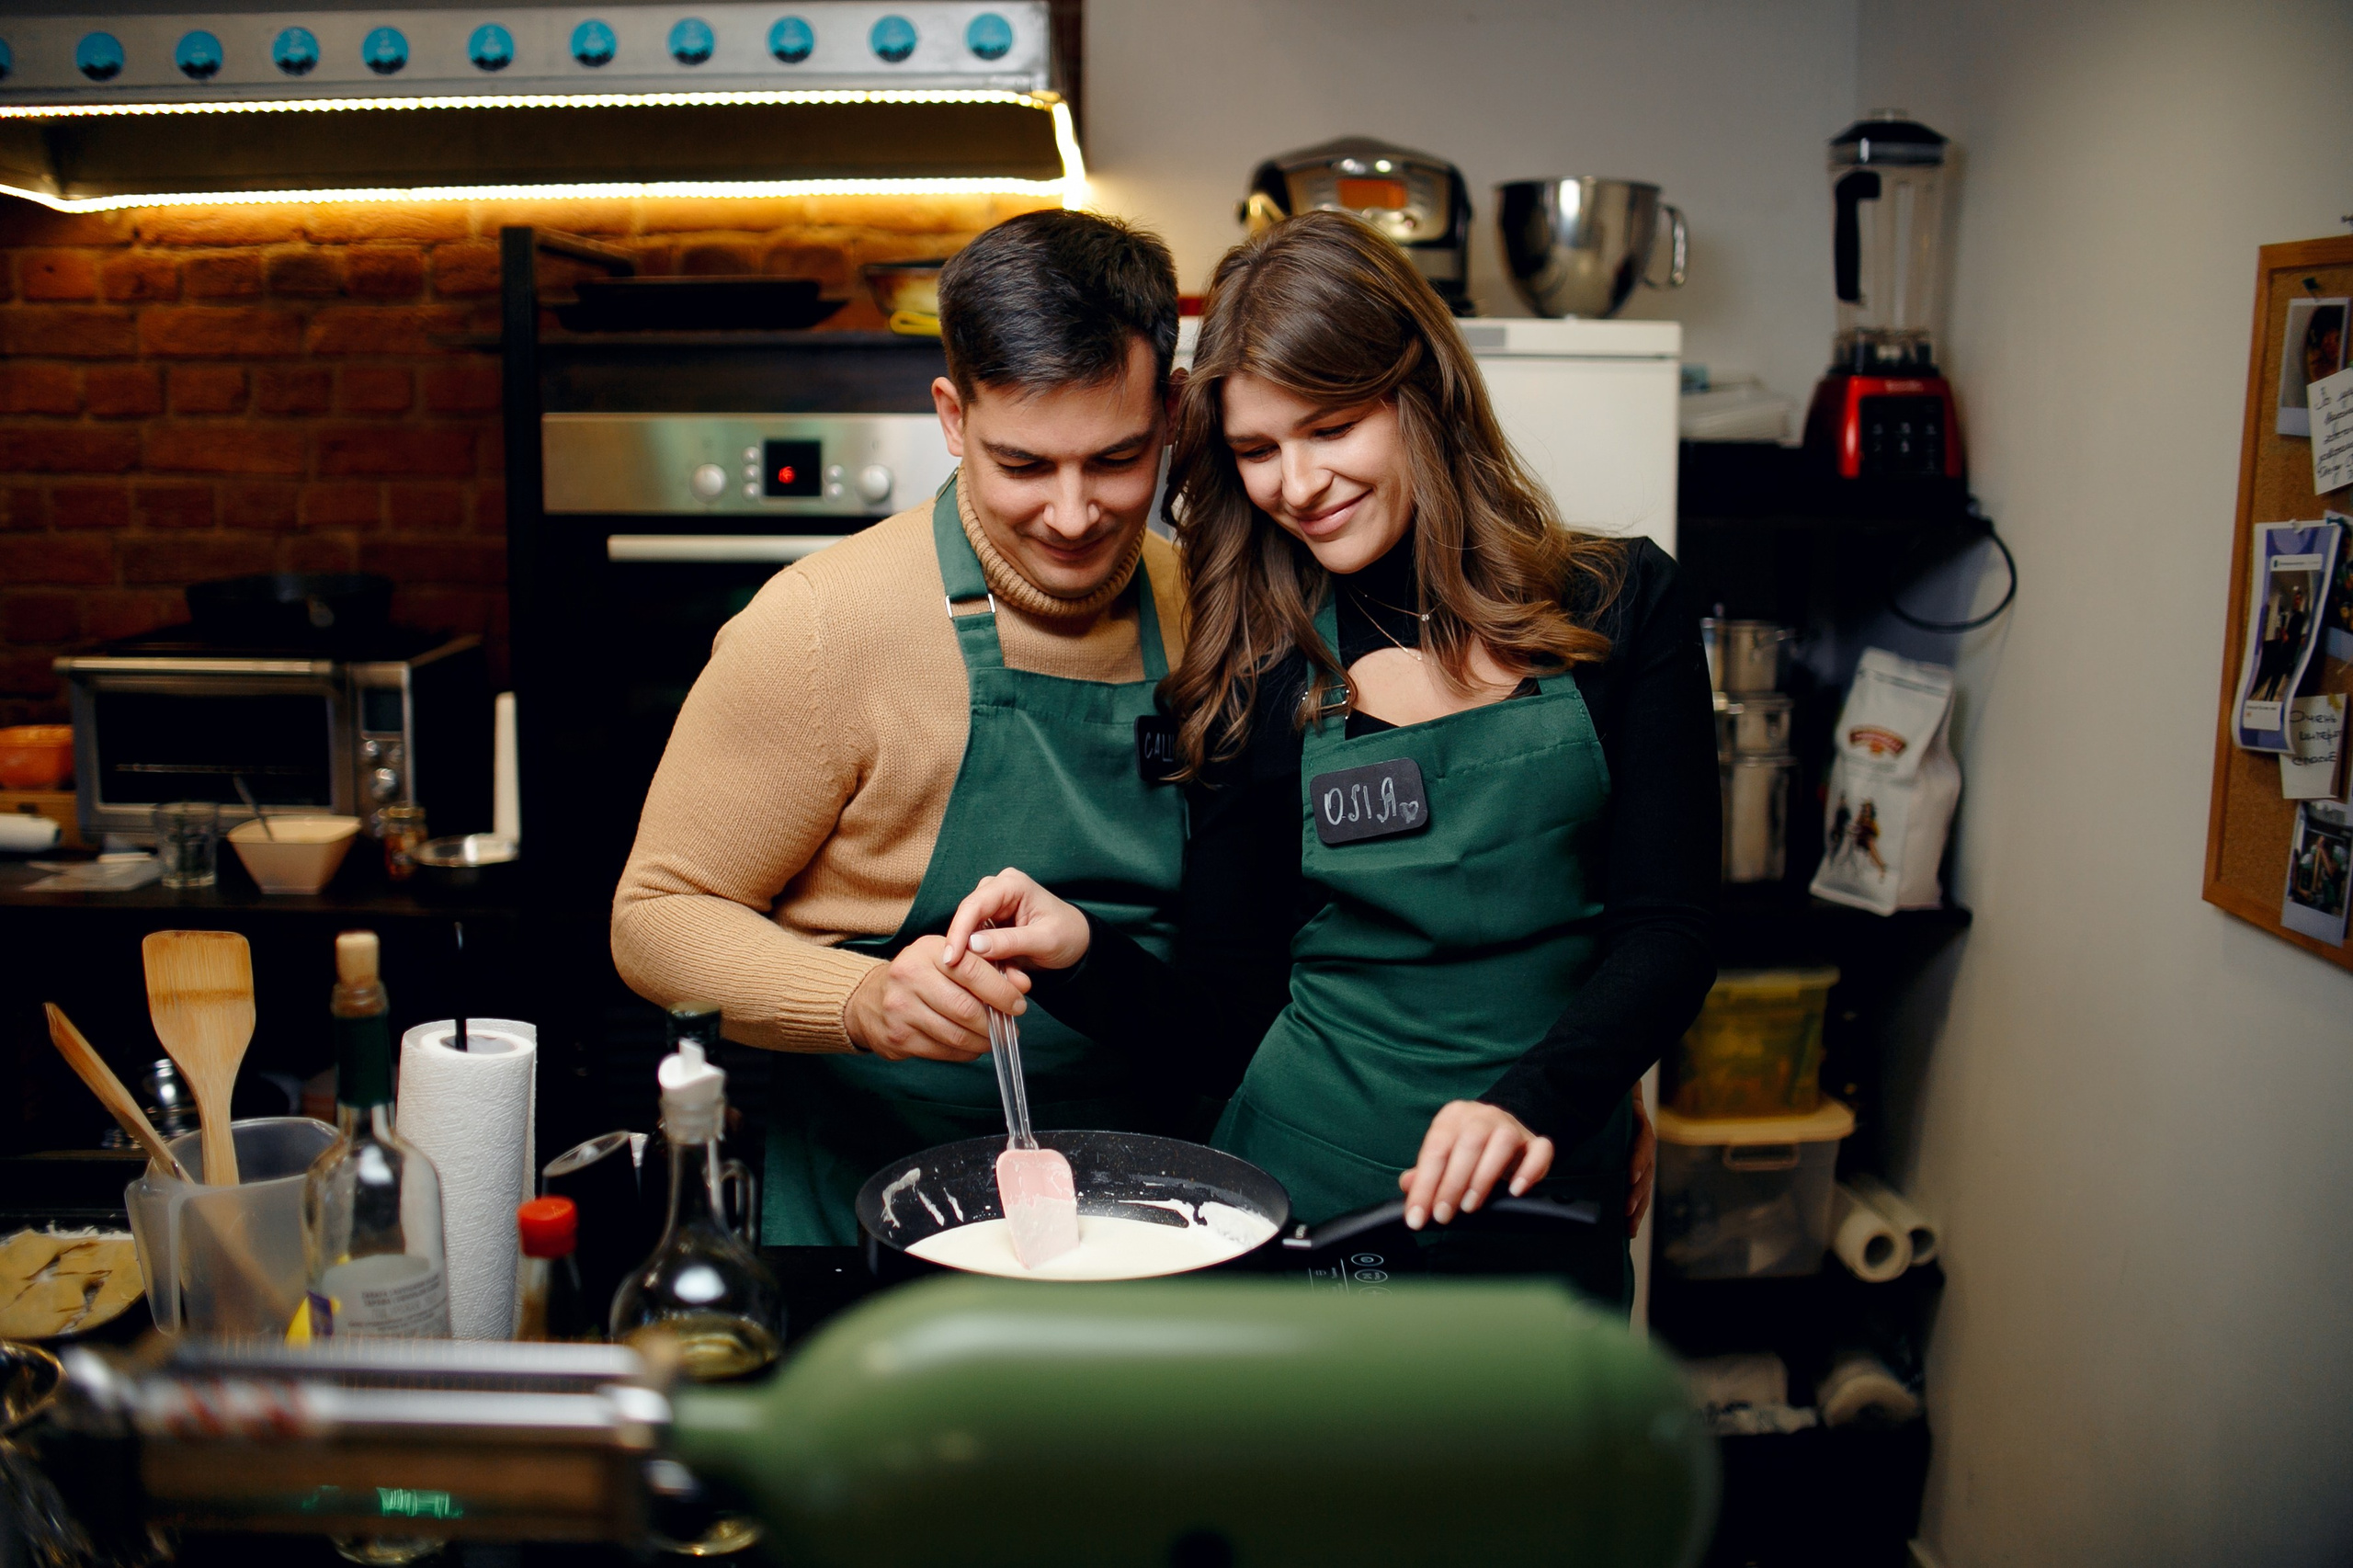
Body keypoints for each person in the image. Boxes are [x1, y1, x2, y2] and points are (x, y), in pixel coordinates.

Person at [942, 210, 1719, 1303]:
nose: (1296, 483)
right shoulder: (1260, 669)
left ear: (1421, 395)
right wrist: (1079, 952)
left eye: (1331, 427)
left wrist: (1543, 1098)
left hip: (1542, 1204)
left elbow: (1670, 927)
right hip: (1302, 1212)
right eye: (1257, 449)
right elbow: (1225, 1013)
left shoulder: (1619, 605)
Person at [610, 210, 1193, 1245]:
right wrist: (860, 996)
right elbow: (656, 915)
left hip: (1159, 1202)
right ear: (953, 417)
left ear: (1172, 414)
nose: (1071, 514)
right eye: (1023, 465)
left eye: (1115, 460)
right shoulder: (823, 624)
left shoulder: (1207, 605)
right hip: (875, 1214)